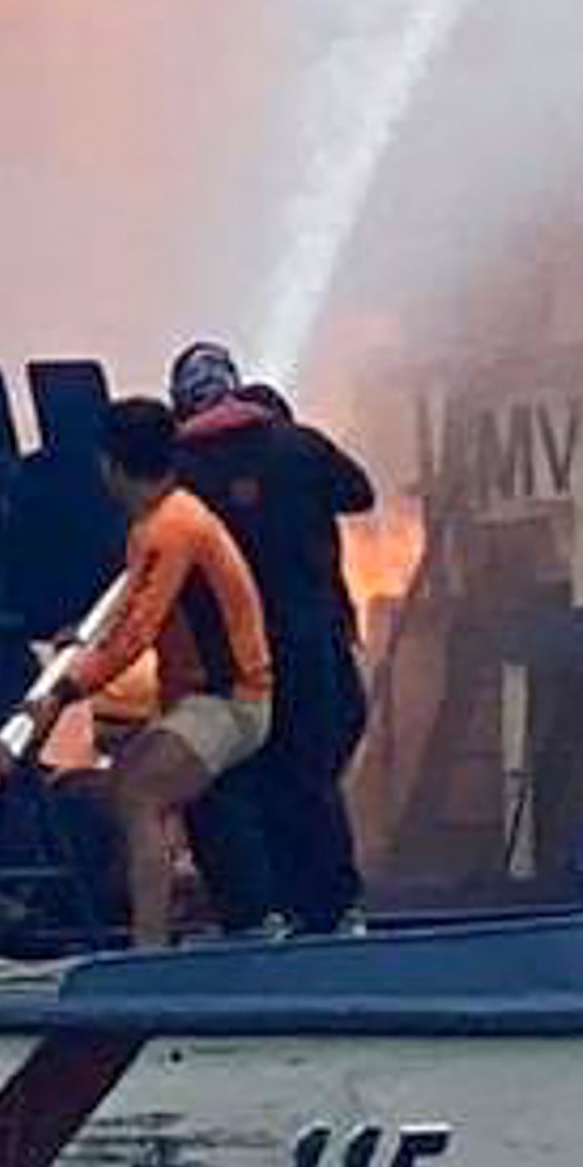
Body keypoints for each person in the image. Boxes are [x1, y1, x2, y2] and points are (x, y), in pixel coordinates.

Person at [8, 395, 271, 952]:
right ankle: (164, 920)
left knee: (140, 794)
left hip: (229, 702)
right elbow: (132, 604)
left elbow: (135, 633)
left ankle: (148, 948)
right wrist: (82, 641)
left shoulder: (169, 529)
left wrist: (65, 690)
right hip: (203, 700)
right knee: (120, 781)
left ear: (108, 465)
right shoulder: (166, 518)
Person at [167, 341, 380, 935]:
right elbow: (359, 492)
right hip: (314, 643)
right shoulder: (298, 445)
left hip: (231, 656)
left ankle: (255, 913)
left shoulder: (179, 471)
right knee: (310, 774)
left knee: (229, 784)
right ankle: (333, 909)